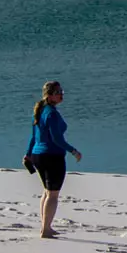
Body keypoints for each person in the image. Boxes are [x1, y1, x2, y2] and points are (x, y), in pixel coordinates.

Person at [24, 80, 83, 239]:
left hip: (38, 156)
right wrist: (73, 151)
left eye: (62, 92)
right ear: (49, 95)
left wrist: (28, 154)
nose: (61, 95)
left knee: (47, 192)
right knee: (53, 194)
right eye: (58, 92)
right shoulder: (51, 113)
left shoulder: (40, 110)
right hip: (51, 156)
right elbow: (56, 139)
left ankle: (46, 226)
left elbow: (33, 136)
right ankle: (45, 229)